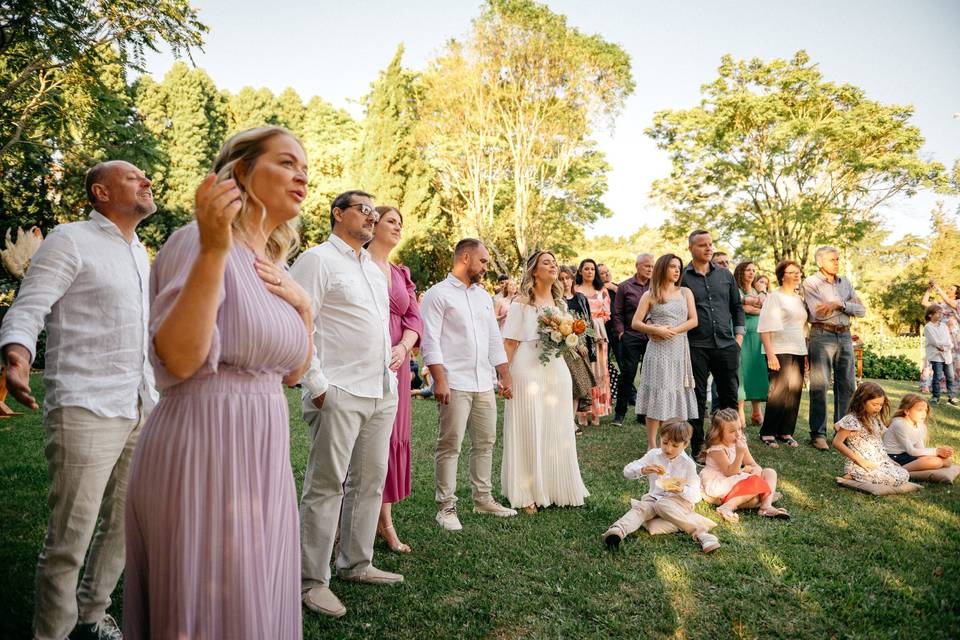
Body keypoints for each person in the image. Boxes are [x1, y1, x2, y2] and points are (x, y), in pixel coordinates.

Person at [124, 127, 312, 637]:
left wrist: (304, 306)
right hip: (205, 442)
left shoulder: (275, 262)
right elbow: (179, 361)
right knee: (211, 604)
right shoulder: (197, 241)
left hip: (263, 448)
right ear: (242, 172)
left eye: (306, 169)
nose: (302, 176)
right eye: (287, 162)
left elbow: (292, 371)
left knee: (258, 594)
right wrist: (212, 246)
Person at [0, 160, 158, 640]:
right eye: (134, 177)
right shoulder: (69, 239)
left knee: (125, 526)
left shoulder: (139, 252)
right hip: (85, 404)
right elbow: (31, 306)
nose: (147, 182)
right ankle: (51, 633)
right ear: (101, 192)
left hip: (140, 404)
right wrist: (16, 355)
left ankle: (91, 616)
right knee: (70, 537)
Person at [292, 189, 402, 620]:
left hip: (380, 390)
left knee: (370, 481)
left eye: (376, 211)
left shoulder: (374, 269)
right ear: (338, 215)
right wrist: (317, 384)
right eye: (365, 210)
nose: (373, 217)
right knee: (325, 486)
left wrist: (389, 382)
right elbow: (300, 321)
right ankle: (310, 581)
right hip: (337, 390)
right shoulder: (318, 260)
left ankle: (356, 563)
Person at [419, 238, 517, 532]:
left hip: (483, 382)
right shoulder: (438, 294)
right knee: (450, 445)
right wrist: (440, 379)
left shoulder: (483, 297)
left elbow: (492, 339)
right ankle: (446, 506)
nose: (486, 267)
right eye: (483, 261)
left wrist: (504, 375)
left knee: (485, 442)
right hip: (455, 381)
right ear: (465, 258)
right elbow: (430, 340)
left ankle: (482, 498)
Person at [500, 251, 590, 513]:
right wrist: (504, 376)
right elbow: (509, 342)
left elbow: (567, 340)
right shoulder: (520, 302)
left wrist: (569, 337)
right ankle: (526, 492)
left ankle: (556, 487)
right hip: (527, 368)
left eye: (554, 262)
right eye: (546, 263)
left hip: (557, 370)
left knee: (557, 425)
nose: (552, 266)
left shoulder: (560, 304)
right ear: (534, 272)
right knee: (528, 425)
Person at [367, 206, 423, 554]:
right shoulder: (357, 264)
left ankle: (384, 521)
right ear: (373, 225)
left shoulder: (401, 273)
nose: (398, 227)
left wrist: (403, 346)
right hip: (363, 360)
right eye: (391, 221)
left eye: (401, 223)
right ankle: (353, 518)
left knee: (390, 438)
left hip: (397, 363)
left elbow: (415, 318)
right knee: (363, 439)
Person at [602, 421, 720, 554]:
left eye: (675, 445)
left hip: (679, 502)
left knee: (661, 505)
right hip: (654, 497)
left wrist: (681, 490)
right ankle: (617, 531)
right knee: (642, 508)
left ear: (685, 444)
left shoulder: (688, 465)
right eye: (664, 443)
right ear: (660, 439)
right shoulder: (653, 455)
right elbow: (627, 471)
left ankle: (702, 534)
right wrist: (643, 469)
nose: (668, 449)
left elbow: (696, 496)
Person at [680, 231, 745, 456]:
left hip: (727, 345)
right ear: (691, 248)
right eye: (702, 245)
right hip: (696, 345)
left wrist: (739, 338)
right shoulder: (682, 277)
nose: (708, 248)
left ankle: (729, 444)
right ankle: (698, 446)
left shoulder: (725, 275)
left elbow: (737, 307)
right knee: (696, 397)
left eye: (710, 244)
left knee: (729, 396)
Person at [632, 254, 699, 450]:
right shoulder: (650, 294)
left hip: (679, 349)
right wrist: (655, 330)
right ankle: (651, 444)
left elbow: (694, 320)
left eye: (679, 267)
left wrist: (673, 331)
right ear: (663, 268)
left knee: (674, 392)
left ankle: (671, 441)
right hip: (658, 351)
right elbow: (636, 322)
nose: (677, 270)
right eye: (672, 267)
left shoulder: (686, 292)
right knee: (658, 392)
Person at [804, 246, 866, 451]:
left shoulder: (845, 282)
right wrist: (847, 304)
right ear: (820, 262)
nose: (837, 262)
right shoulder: (811, 282)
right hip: (822, 335)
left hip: (846, 335)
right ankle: (818, 434)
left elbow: (861, 310)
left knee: (847, 386)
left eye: (838, 259)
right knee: (820, 386)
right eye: (832, 259)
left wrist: (837, 303)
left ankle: (842, 433)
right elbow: (818, 312)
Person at [699, 409, 789, 521]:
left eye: (739, 429)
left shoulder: (740, 441)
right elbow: (730, 472)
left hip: (736, 479)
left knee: (770, 472)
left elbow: (752, 464)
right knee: (755, 486)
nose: (738, 434)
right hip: (720, 483)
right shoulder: (716, 449)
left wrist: (757, 470)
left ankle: (766, 506)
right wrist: (739, 454)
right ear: (718, 433)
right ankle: (727, 507)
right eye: (732, 431)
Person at [757, 261, 808, 449]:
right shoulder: (774, 297)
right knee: (779, 391)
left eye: (798, 272)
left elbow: (802, 327)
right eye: (792, 272)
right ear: (782, 275)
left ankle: (786, 431)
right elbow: (764, 328)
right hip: (779, 349)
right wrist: (770, 355)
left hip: (799, 349)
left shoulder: (798, 298)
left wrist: (806, 353)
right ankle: (768, 432)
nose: (797, 275)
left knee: (794, 391)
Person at [832, 382, 909, 486]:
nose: (878, 408)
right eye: (874, 404)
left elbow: (877, 444)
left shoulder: (874, 419)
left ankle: (861, 477)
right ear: (862, 402)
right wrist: (860, 461)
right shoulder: (851, 420)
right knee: (893, 479)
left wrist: (889, 460)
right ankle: (853, 475)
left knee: (904, 474)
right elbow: (837, 443)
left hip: (878, 463)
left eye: (881, 405)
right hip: (860, 464)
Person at [611, 253, 654, 427]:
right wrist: (621, 333)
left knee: (649, 375)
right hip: (632, 336)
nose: (650, 269)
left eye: (652, 266)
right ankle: (619, 414)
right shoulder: (624, 286)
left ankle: (643, 414)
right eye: (646, 266)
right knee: (628, 374)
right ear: (637, 266)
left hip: (653, 337)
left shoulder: (657, 286)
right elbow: (617, 313)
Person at [560, 266, 595, 434]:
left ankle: (570, 422)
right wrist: (574, 344)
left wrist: (587, 345)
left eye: (567, 278)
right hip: (564, 348)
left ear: (573, 279)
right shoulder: (556, 301)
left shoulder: (580, 298)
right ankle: (565, 421)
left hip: (581, 348)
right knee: (566, 385)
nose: (565, 282)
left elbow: (587, 322)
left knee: (578, 386)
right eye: (561, 278)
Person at [575, 259, 612, 425]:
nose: (590, 271)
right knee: (584, 371)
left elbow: (607, 314)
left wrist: (595, 323)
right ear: (580, 271)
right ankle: (582, 413)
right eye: (586, 269)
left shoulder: (602, 290)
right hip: (580, 335)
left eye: (592, 269)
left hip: (598, 337)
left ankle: (597, 412)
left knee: (599, 373)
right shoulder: (575, 290)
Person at [734, 261, 767, 427]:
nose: (751, 273)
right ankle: (740, 412)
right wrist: (754, 305)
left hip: (758, 336)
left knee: (756, 371)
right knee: (741, 372)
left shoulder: (757, 290)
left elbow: (766, 308)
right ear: (740, 271)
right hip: (741, 335)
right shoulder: (735, 289)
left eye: (754, 270)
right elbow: (741, 309)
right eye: (748, 270)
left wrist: (753, 301)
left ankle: (756, 411)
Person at [883, 394, 954, 471]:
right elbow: (912, 451)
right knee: (936, 462)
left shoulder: (920, 425)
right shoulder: (899, 424)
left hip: (907, 454)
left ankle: (905, 470)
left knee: (947, 462)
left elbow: (920, 449)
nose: (924, 414)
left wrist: (943, 453)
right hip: (893, 457)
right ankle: (898, 471)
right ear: (907, 411)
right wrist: (937, 451)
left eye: (925, 410)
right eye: (919, 410)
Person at [920, 281, 960, 393]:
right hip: (940, 332)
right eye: (949, 288)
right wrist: (929, 289)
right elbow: (924, 302)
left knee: (951, 360)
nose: (949, 289)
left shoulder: (957, 302)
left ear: (957, 294)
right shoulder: (940, 304)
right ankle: (929, 384)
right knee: (934, 356)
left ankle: (951, 386)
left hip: (953, 335)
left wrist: (938, 288)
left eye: (952, 289)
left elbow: (948, 301)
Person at [923, 305, 958, 405]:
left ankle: (952, 397)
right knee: (937, 377)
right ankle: (935, 397)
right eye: (938, 313)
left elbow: (948, 341)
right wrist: (942, 345)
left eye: (941, 313)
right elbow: (935, 342)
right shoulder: (928, 327)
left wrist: (945, 346)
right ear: (930, 315)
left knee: (950, 377)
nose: (940, 314)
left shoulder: (943, 326)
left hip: (947, 355)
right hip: (936, 356)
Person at [599, 263, 621, 367]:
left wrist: (613, 288)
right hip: (602, 330)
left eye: (607, 271)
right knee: (603, 362)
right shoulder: (596, 290)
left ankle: (624, 383)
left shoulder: (618, 288)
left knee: (623, 362)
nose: (607, 274)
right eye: (602, 273)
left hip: (617, 330)